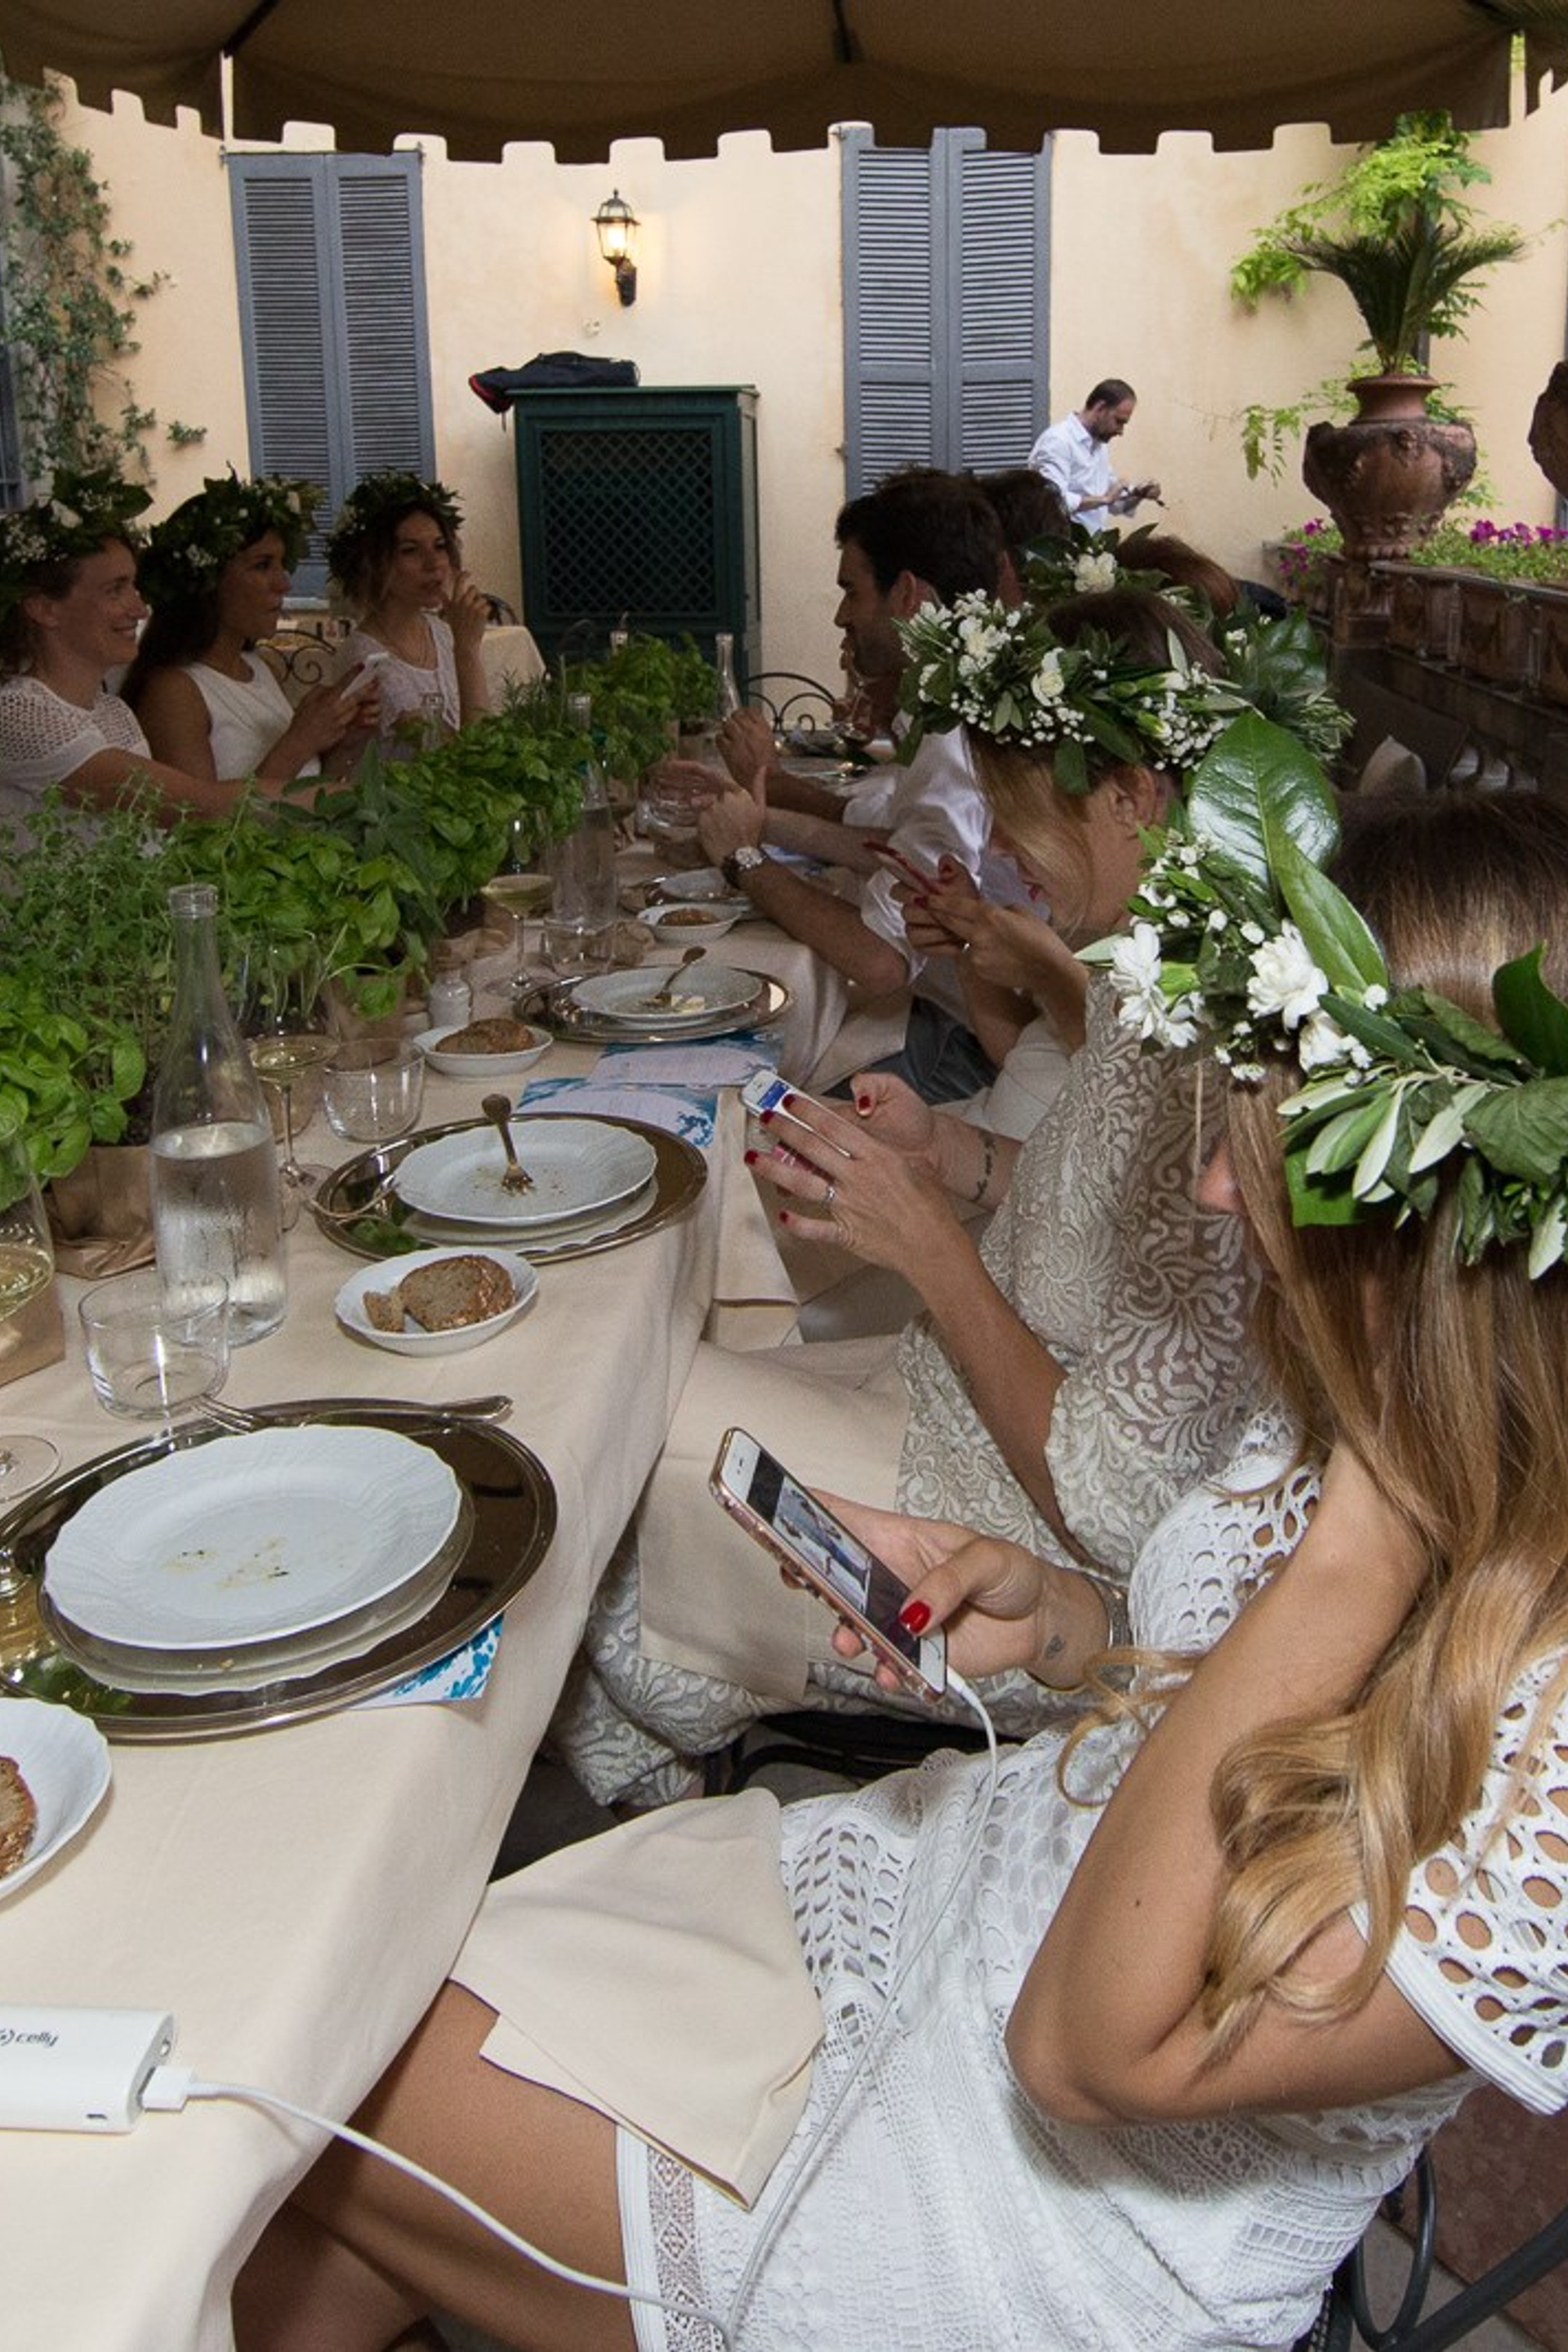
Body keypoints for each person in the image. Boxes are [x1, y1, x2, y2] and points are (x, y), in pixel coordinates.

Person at [234, 788, 1568, 2352]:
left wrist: (1375, 1517)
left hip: (1032, 2222)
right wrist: (1058, 1620)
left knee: (303, 2077)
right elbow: (1225, 1692)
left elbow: (1082, 2052)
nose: (1216, 1186)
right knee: (351, 2062)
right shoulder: (1348, 1392)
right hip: (943, 1901)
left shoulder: (1500, 1661)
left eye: (1275, 1134)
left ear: (1441, 1202)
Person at [550, 592, 1257, 1808]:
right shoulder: (1155, 968)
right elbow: (1104, 1203)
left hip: (1024, 1557)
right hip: (945, 1389)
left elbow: (1114, 1509)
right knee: (621, 1374)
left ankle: (658, 1808)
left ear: (1134, 796)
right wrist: (952, 1156)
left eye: (1020, 815)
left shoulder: (1230, 1056)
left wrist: (935, 1251)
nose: (1000, 854)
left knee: (604, 1462)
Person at [695, 467, 1038, 1104]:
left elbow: (880, 961)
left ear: (906, 594)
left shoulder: (955, 735)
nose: (840, 615)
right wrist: (758, 820)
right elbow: (895, 849)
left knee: (724, 1079)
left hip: (962, 1047)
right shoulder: (957, 707)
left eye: (851, 591)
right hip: (948, 1020)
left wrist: (744, 860)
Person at [0, 470, 331, 834]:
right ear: (44, 608)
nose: (139, 609)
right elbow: (198, 807)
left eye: (133, 587)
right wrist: (340, 797)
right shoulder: (21, 715)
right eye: (115, 590)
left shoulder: (113, 712)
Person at [123, 474, 377, 789]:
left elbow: (304, 791)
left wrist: (345, 740)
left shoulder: (260, 668)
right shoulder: (174, 692)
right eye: (262, 565)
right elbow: (197, 816)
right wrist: (302, 740)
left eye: (282, 564)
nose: (283, 583)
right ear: (210, 581)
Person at [326, 470, 491, 752]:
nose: (433, 563)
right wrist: (467, 651)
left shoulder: (440, 632)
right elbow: (464, 759)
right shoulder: (368, 661)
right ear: (376, 565)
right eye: (410, 550)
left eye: (440, 546)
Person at [1027, 377, 1158, 533]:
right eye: (1118, 421)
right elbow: (1051, 502)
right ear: (1100, 408)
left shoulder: (1099, 445)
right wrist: (1104, 499)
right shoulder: (1058, 441)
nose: (1120, 431)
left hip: (1093, 544)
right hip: (1060, 545)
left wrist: (1138, 494)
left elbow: (1115, 505)